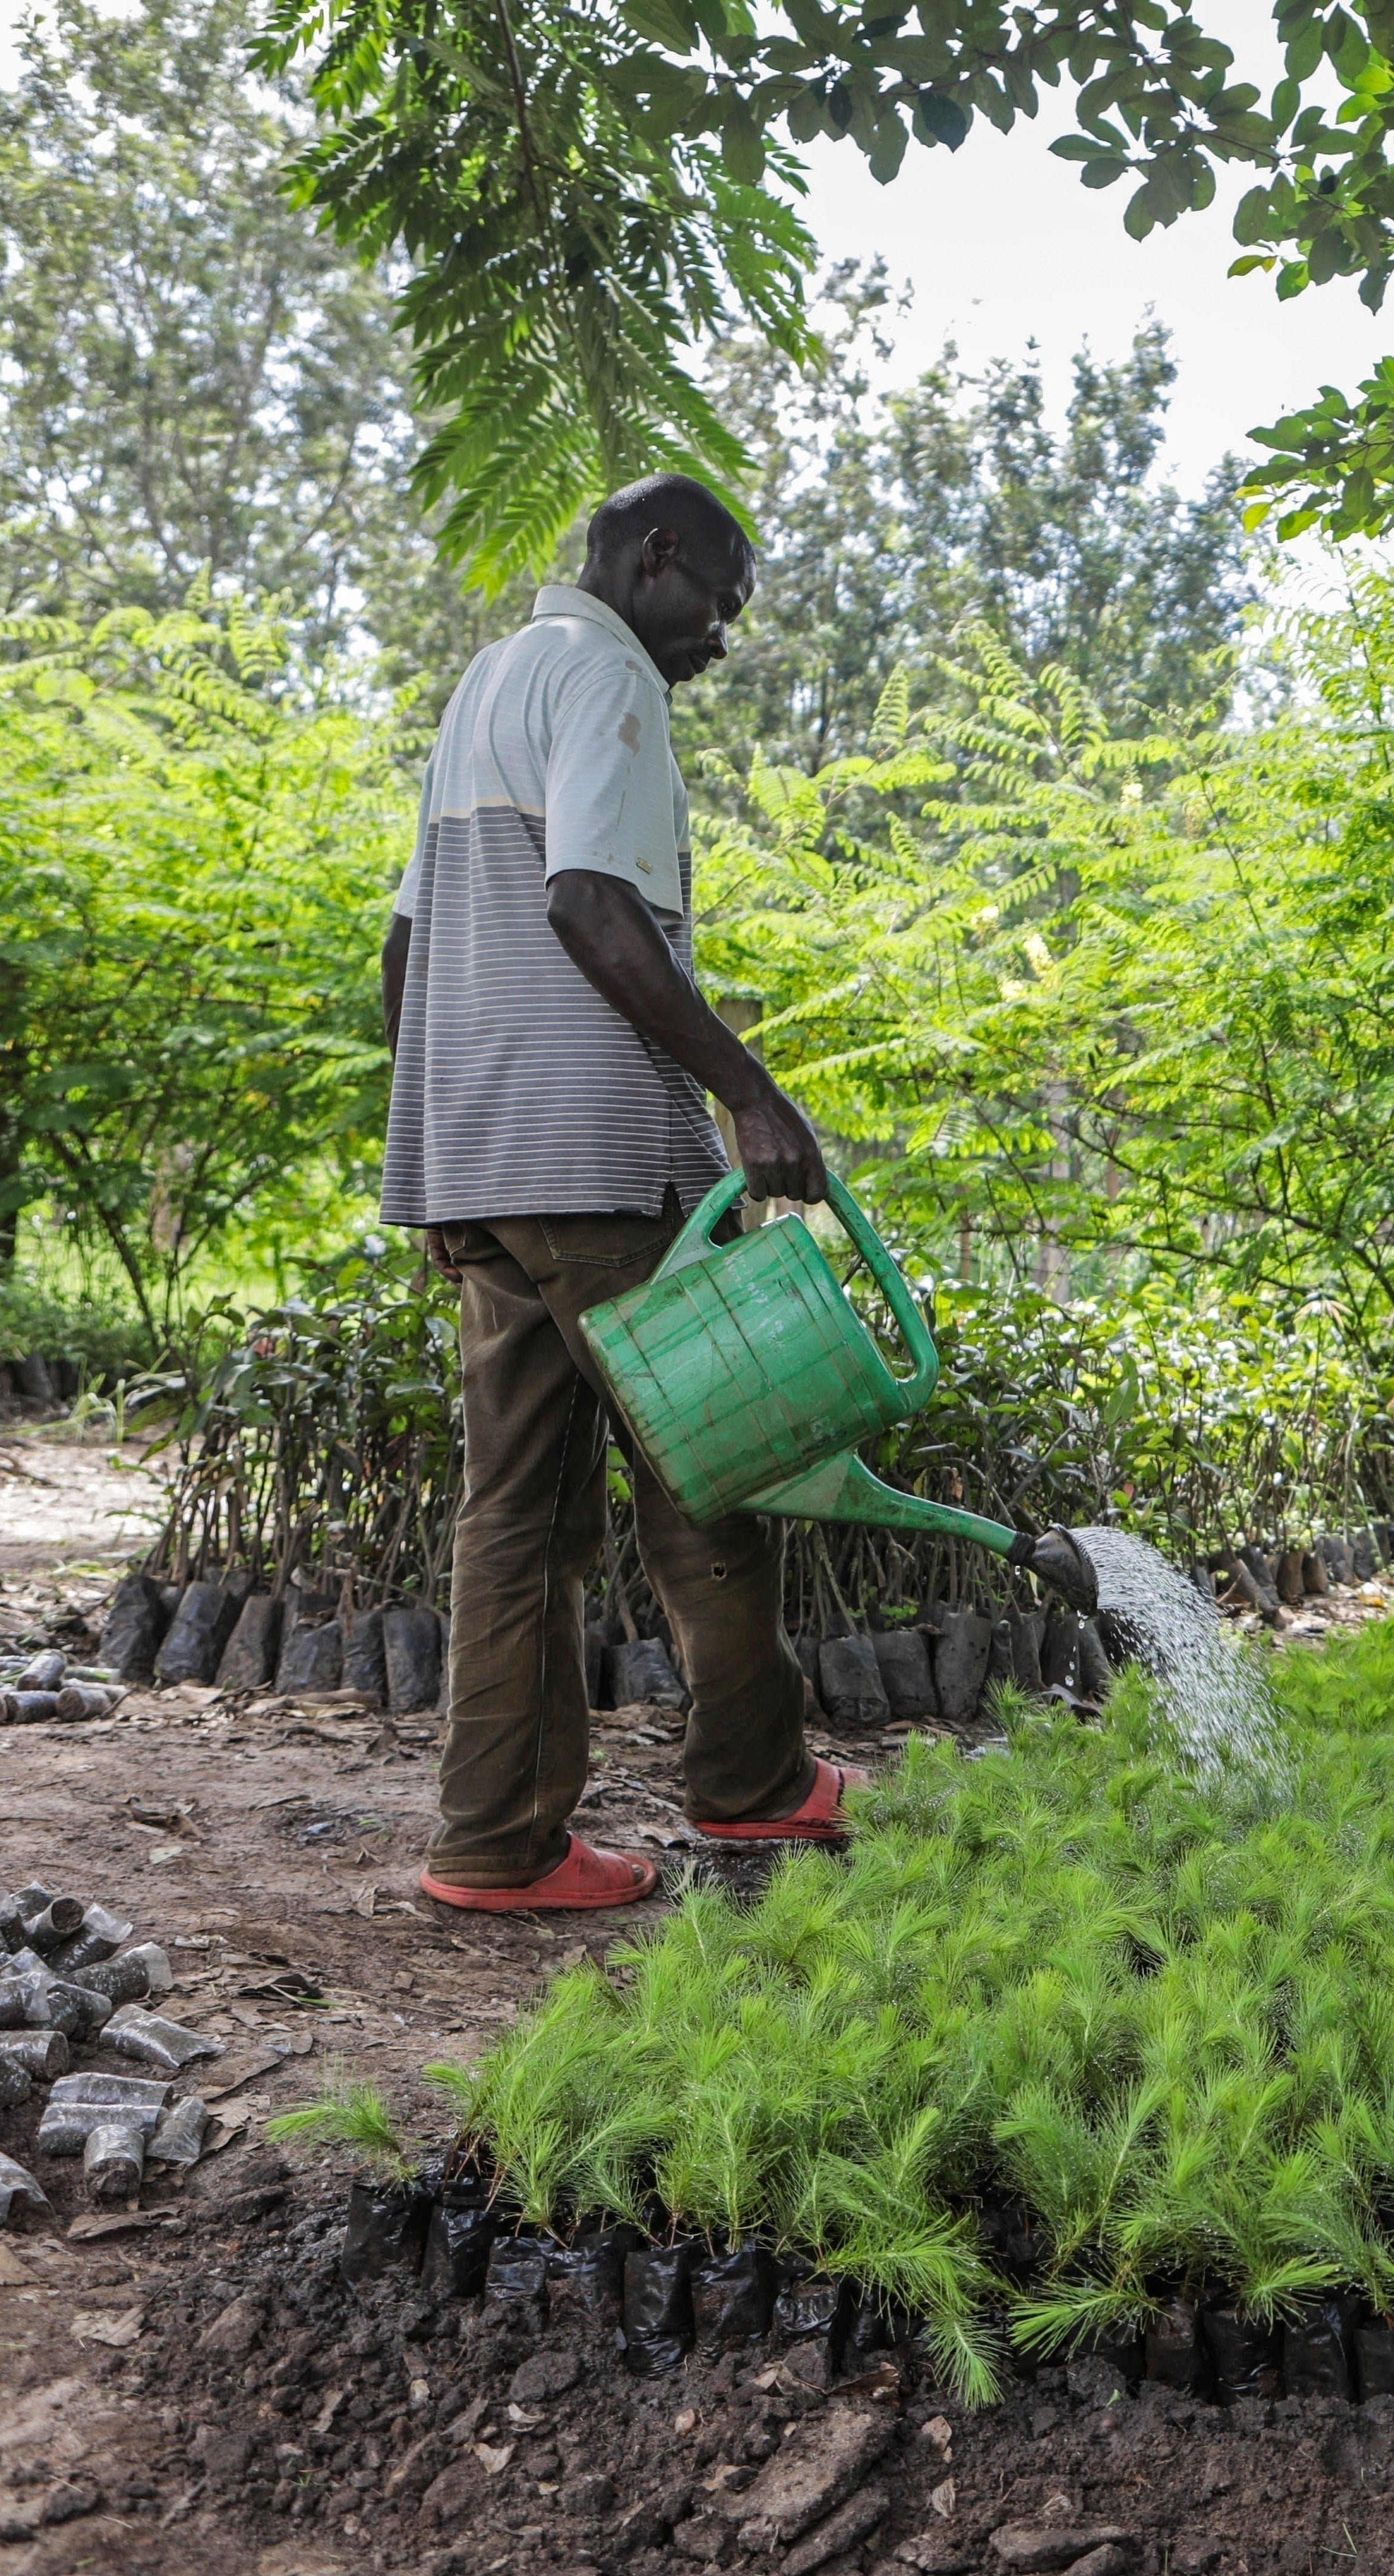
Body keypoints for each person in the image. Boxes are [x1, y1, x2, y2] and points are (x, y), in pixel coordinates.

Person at [378, 473, 861, 1913]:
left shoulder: (488, 683)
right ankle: (756, 1789)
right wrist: (748, 1089)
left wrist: (434, 1158)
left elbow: (406, 954)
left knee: (512, 1513)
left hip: (483, 1169)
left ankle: (494, 1843)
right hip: (597, 1159)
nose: (721, 637)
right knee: (710, 1472)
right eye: (719, 602)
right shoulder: (606, 679)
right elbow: (590, 900)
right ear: (654, 562)